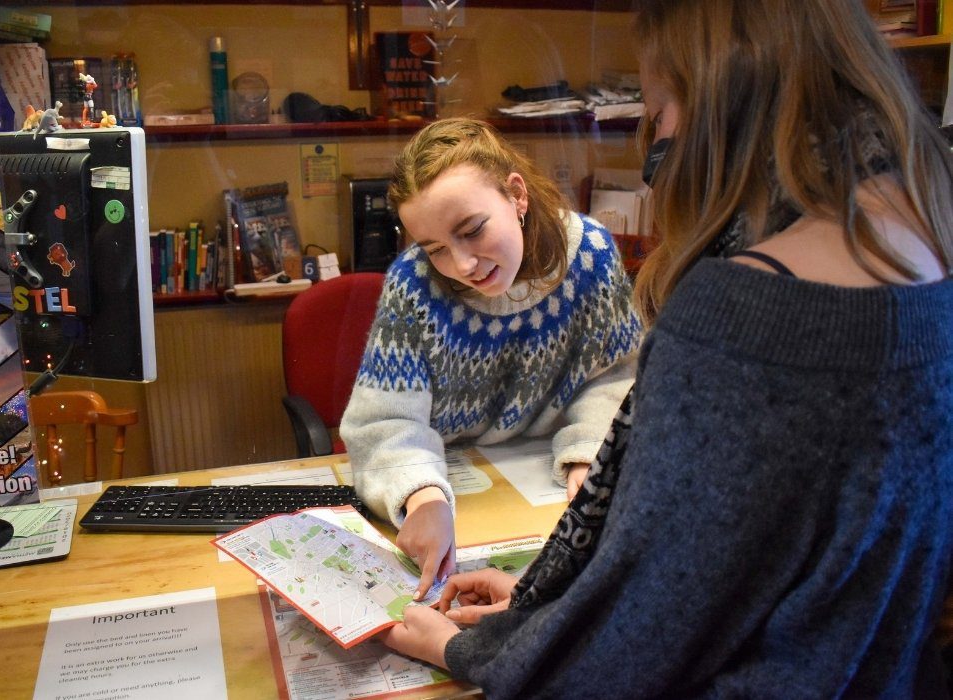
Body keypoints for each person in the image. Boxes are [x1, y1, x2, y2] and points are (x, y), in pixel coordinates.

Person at [376, 0, 953, 696]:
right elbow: (746, 567)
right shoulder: (925, 235)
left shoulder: (735, 314)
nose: (657, 141)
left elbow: (638, 639)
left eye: (659, 110)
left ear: (720, 97)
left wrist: (477, 650)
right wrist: (550, 602)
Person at [339, 118, 643, 599]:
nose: (462, 265)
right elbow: (385, 421)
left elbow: (613, 378)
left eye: (472, 230)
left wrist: (592, 455)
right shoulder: (413, 286)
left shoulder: (592, 255)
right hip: (456, 491)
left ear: (517, 195)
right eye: (435, 249)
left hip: (544, 488)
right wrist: (421, 496)